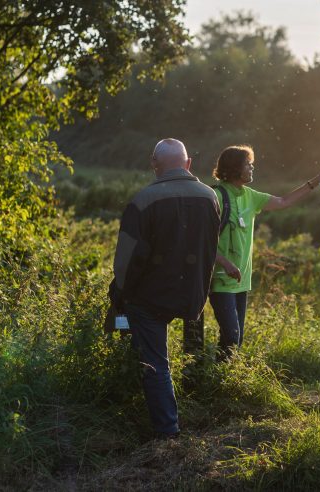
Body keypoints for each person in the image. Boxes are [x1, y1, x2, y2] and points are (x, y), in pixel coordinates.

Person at [109, 138, 220, 439]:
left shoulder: (144, 200)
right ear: (188, 164)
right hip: (193, 294)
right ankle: (199, 398)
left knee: (155, 362)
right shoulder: (210, 197)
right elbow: (209, 246)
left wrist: (120, 293)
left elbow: (127, 260)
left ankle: (166, 431)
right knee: (187, 350)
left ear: (154, 163)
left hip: (151, 296)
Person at [204, 145, 320, 360]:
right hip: (219, 279)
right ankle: (217, 380)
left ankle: (223, 379)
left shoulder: (251, 196)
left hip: (242, 281)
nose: (252, 168)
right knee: (232, 335)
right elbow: (202, 240)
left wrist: (316, 181)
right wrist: (225, 263)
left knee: (236, 339)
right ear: (235, 168)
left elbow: (284, 202)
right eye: (248, 164)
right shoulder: (215, 196)